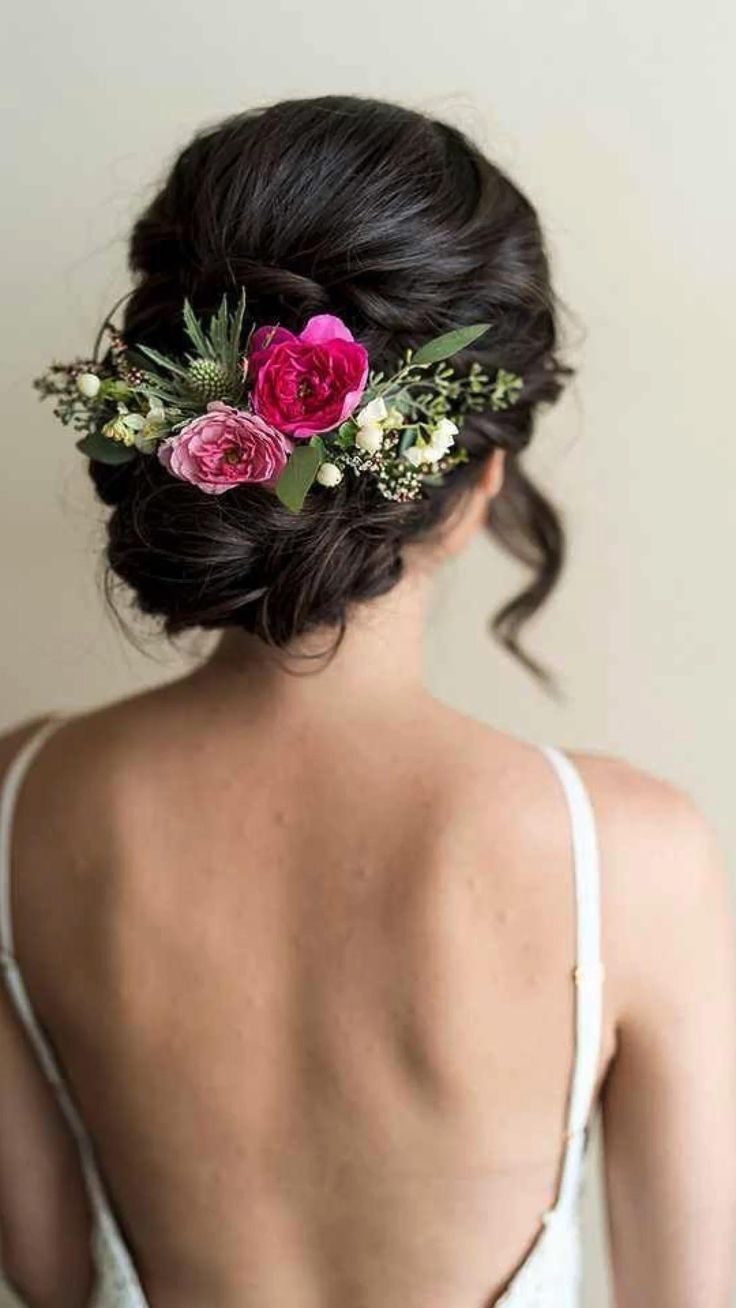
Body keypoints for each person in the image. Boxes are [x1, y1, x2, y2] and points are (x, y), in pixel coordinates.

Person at [1, 95, 734, 1308]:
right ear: (483, 470)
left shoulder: (21, 802)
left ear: (186, 435)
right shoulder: (630, 859)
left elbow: (43, 1269)